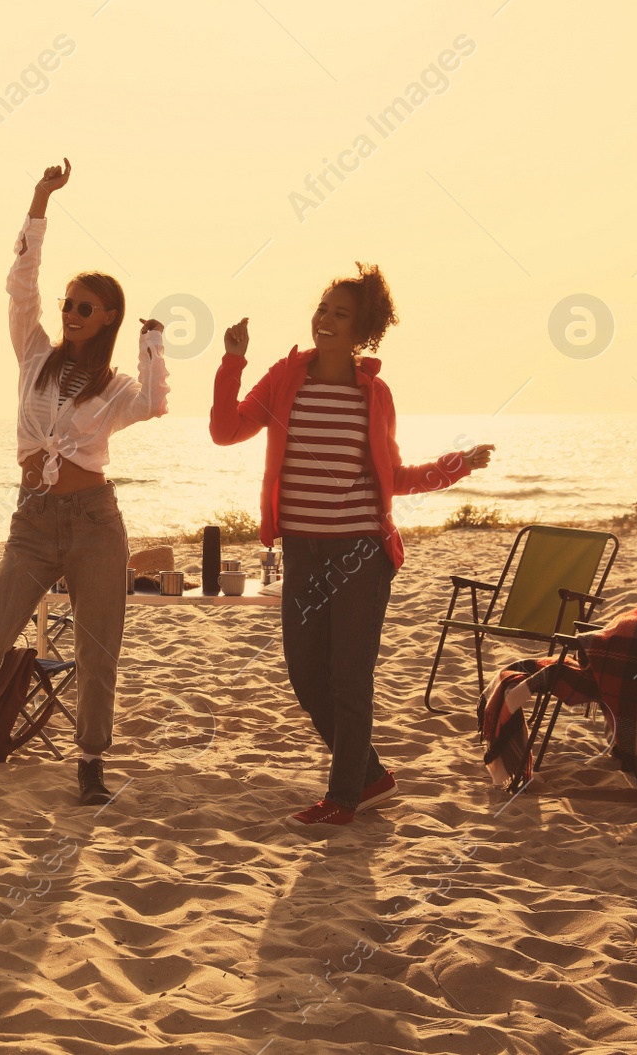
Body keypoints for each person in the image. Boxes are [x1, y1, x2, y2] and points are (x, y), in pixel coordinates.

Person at [0, 159, 169, 805]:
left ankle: (90, 762)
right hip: (33, 521)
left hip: (94, 526)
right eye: (68, 304)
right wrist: (39, 201)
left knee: (96, 646)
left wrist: (153, 341)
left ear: (107, 316)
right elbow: (21, 281)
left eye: (85, 307)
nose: (71, 312)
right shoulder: (33, 353)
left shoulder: (116, 388)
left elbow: (158, 401)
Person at [209, 265, 495, 825]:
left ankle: (343, 798)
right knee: (306, 675)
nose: (325, 320)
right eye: (323, 308)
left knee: (348, 677)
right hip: (302, 551)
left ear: (362, 330)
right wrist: (232, 361)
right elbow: (225, 430)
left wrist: (456, 465)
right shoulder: (285, 378)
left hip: (361, 552)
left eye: (341, 313)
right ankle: (370, 776)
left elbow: (396, 474)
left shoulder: (374, 393)